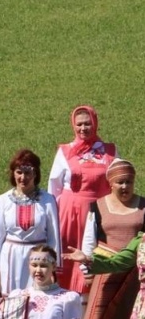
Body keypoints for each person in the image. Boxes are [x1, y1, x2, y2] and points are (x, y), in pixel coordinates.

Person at [79, 158, 145, 319]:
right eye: (120, 182)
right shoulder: (98, 206)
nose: (125, 186)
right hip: (105, 272)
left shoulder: (143, 205)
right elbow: (89, 240)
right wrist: (87, 267)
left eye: (128, 182)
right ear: (111, 183)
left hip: (135, 276)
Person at [48, 105, 117, 292]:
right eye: (79, 124)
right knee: (68, 253)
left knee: (94, 253)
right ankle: (64, 293)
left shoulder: (109, 151)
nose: (83, 128)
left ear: (95, 124)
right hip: (70, 212)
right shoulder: (65, 151)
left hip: (99, 211)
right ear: (73, 125)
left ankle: (92, 297)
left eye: (87, 124)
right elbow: (54, 186)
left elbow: (116, 180)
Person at [0, 150, 61, 296]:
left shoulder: (47, 200)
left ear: (35, 174)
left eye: (28, 173)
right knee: (10, 302)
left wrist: (54, 268)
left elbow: (54, 237)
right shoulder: (4, 199)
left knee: (37, 300)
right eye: (19, 172)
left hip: (38, 259)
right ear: (13, 173)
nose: (23, 177)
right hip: (11, 258)